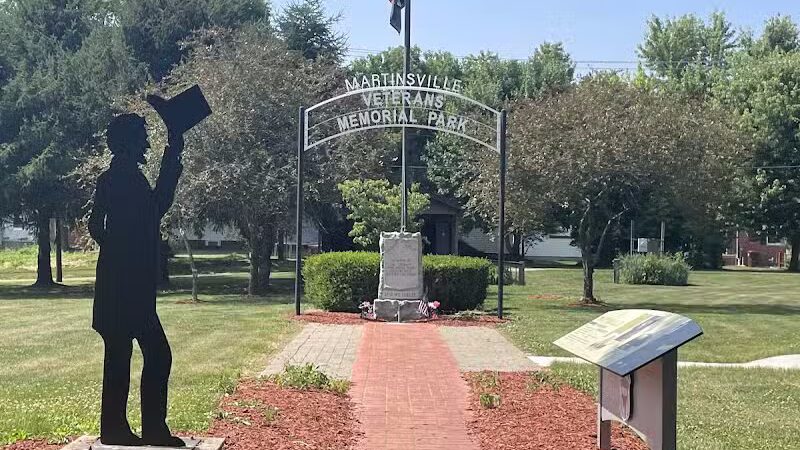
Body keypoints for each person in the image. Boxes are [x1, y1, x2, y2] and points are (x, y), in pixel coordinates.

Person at [88, 113, 185, 447]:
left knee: (121, 356)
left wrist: (117, 250)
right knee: (154, 355)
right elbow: (156, 207)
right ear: (129, 142)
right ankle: (146, 430)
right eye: (142, 137)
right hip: (126, 286)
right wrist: (173, 155)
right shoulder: (127, 179)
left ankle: (120, 429)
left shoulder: (114, 177)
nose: (146, 142)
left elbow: (95, 226)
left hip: (119, 283)